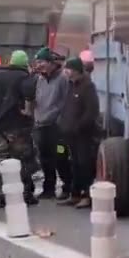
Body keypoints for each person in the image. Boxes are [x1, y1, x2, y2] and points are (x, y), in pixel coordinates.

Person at [0, 50, 39, 209]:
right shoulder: (25, 78)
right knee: (22, 160)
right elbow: (29, 96)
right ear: (25, 63)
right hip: (18, 126)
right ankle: (26, 194)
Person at [58, 57, 100, 208]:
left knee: (85, 164)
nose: (66, 71)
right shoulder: (70, 85)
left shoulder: (88, 87)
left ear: (76, 70)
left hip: (84, 135)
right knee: (74, 163)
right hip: (70, 135)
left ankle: (87, 195)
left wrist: (79, 127)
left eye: (68, 68)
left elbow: (91, 111)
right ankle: (74, 194)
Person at [31, 48, 72, 202]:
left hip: (57, 127)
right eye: (37, 62)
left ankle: (68, 187)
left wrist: (58, 118)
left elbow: (65, 101)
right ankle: (49, 187)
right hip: (41, 125)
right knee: (44, 158)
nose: (39, 65)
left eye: (41, 62)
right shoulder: (40, 79)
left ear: (50, 63)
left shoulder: (62, 79)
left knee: (61, 156)